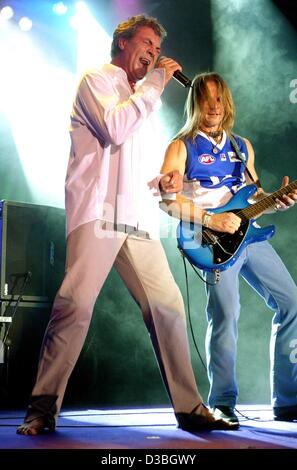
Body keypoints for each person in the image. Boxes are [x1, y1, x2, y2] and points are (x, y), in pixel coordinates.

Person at [16, 18, 237, 436]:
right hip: (98, 212)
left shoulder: (141, 97)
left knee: (167, 305)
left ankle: (190, 407)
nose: (154, 53)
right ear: (123, 42)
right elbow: (113, 128)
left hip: (135, 214)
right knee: (75, 306)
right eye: (147, 43)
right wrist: (155, 83)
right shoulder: (96, 81)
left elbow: (128, 160)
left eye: (157, 48)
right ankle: (42, 407)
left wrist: (161, 181)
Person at [160, 72, 297, 425]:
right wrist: (211, 220)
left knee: (292, 302)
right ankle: (222, 400)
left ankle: (287, 400)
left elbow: (254, 197)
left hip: (248, 236)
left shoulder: (242, 146)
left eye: (219, 99)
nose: (214, 106)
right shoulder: (181, 145)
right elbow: (168, 202)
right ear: (196, 103)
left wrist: (277, 202)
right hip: (211, 240)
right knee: (226, 315)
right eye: (206, 99)